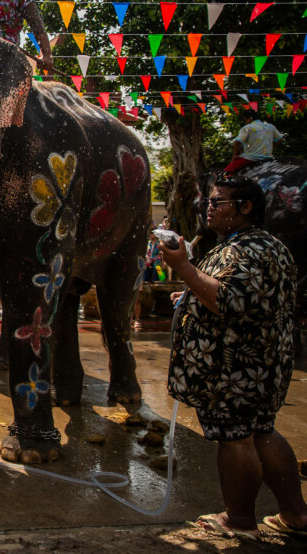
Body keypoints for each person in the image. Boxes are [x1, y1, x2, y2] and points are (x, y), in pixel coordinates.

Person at [161, 175, 306, 539]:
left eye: (218, 202)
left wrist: (183, 268)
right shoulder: (267, 245)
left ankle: (239, 521)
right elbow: (249, 299)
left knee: (237, 439)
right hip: (262, 366)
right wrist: (191, 294)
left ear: (245, 208)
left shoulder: (244, 250)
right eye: (209, 201)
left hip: (233, 369)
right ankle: (296, 515)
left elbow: (229, 300)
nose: (209, 208)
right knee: (261, 432)